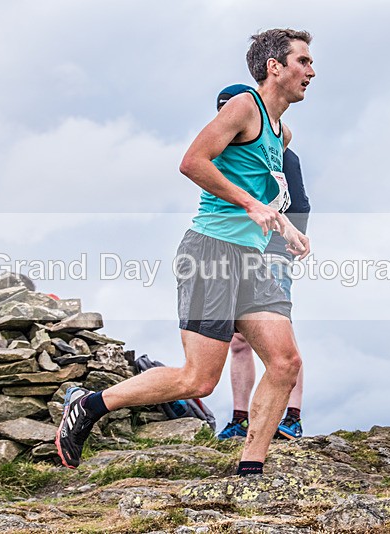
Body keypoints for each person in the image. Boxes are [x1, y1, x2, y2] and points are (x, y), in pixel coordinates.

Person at [55, 28, 315, 477]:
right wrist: (249, 204)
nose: (311, 71)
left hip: (251, 261)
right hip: (210, 253)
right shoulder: (243, 108)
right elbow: (192, 161)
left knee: (285, 362)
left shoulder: (282, 132)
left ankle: (250, 471)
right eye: (302, 61)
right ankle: (91, 404)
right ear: (275, 67)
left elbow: (267, 190)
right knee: (198, 379)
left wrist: (286, 224)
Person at [212, 85, 310, 442]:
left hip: (270, 250)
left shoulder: (281, 152)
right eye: (221, 110)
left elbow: (298, 201)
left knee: (279, 334)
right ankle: (239, 418)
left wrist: (288, 242)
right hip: (232, 251)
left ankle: (291, 417)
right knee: (238, 339)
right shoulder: (224, 151)